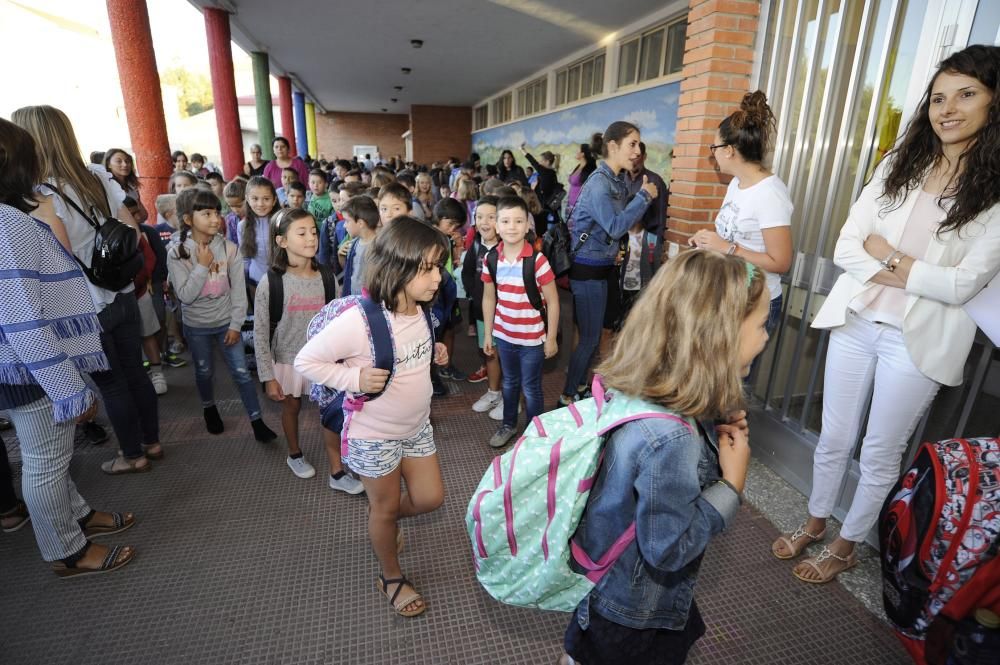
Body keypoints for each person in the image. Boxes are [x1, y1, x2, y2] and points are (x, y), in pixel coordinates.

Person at [771, 45, 1000, 584]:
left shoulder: (993, 194)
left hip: (916, 341)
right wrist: (905, 269)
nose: (947, 108)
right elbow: (848, 244)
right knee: (833, 435)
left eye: (966, 95)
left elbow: (963, 285)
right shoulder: (900, 164)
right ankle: (814, 521)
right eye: (939, 97)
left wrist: (890, 257)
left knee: (880, 451)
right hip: (857, 318)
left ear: (994, 103)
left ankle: (847, 544)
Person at [559, 249, 768, 665]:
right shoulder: (672, 440)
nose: (765, 337)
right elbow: (667, 549)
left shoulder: (640, 386)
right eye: (761, 325)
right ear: (719, 337)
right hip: (635, 609)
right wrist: (731, 486)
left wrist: (714, 415)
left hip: (607, 584)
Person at [0, 117, 137, 576]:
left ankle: (76, 515)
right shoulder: (9, 226)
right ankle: (66, 550)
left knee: (53, 457)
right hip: (30, 367)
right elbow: (24, 321)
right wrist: (67, 388)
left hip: (22, 366)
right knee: (45, 463)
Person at [295, 217, 451, 617]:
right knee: (384, 510)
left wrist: (433, 351)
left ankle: (382, 522)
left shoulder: (421, 309)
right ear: (398, 266)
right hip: (373, 434)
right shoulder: (360, 320)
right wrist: (354, 377)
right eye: (429, 268)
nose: (439, 277)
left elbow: (409, 353)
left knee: (430, 498)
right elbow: (306, 360)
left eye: (440, 266)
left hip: (417, 427)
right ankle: (391, 574)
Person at [14, 105, 162, 474]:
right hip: (123, 289)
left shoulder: (40, 194)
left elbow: (61, 258)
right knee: (135, 372)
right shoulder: (95, 175)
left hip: (88, 304)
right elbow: (132, 228)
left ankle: (133, 455)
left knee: (111, 384)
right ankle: (152, 443)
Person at [252, 209, 363, 491]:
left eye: (313, 231)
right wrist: (268, 376)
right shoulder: (272, 282)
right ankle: (295, 453)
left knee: (330, 413)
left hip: (324, 361)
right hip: (288, 361)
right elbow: (262, 332)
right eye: (301, 233)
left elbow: (338, 321)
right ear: (282, 241)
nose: (311, 238)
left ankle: (337, 472)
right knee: (291, 407)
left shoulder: (327, 277)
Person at [167, 188, 277, 442]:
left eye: (217, 212)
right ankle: (208, 407)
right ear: (187, 219)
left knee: (240, 372)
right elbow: (185, 295)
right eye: (206, 213)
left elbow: (239, 291)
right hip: (196, 327)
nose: (216, 218)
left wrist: (236, 325)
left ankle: (257, 420)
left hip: (228, 323)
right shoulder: (177, 253)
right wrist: (202, 266)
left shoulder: (229, 249)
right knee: (204, 371)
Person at [560, 121, 657, 407]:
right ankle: (567, 395)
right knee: (589, 339)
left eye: (639, 145)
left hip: (602, 268)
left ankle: (578, 386)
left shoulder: (617, 179)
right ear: (613, 146)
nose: (637, 151)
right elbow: (616, 226)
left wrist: (612, 250)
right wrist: (644, 196)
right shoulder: (600, 183)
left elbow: (609, 230)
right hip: (587, 271)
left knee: (593, 337)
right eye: (632, 144)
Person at [689, 91, 792, 342]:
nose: (712, 154)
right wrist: (708, 241)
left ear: (729, 150)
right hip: (731, 292)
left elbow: (781, 262)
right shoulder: (736, 183)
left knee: (734, 378)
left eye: (714, 147)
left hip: (756, 300)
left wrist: (727, 248)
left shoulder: (770, 193)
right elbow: (731, 235)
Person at [482, 196, 560, 448]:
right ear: (496, 225)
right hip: (505, 337)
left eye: (518, 221)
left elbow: (554, 301)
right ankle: (508, 424)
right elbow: (489, 298)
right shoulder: (491, 259)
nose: (512, 226)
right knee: (510, 383)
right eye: (505, 221)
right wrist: (488, 335)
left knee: (531, 387)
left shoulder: (537, 261)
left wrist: (551, 339)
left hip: (532, 339)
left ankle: (533, 433)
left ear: (528, 225)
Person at [462, 196, 504, 418]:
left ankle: (511, 397)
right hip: (482, 311)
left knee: (508, 356)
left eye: (491, 217)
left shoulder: (507, 246)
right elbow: (468, 272)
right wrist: (476, 295)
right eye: (479, 217)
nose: (484, 222)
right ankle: (494, 392)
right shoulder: (477, 244)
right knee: (490, 353)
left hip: (506, 314)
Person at [624, 141, 669, 287]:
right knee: (624, 282)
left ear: (644, 157)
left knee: (645, 284)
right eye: (630, 156)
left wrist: (660, 245)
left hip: (647, 240)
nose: (633, 159)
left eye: (637, 156)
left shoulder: (654, 181)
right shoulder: (620, 179)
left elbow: (662, 216)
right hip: (624, 239)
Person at [238, 175, 280, 295]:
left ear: (274, 200)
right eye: (255, 198)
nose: (260, 204)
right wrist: (245, 279)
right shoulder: (242, 226)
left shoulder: (282, 222)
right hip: (255, 280)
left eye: (266, 199)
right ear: (247, 199)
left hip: (283, 278)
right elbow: (245, 257)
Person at [338, 195, 380, 296]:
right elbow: (349, 270)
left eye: (347, 221)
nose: (344, 225)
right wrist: (341, 255)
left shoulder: (379, 247)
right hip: (353, 298)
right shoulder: (354, 243)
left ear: (360, 223)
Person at [104, 148, 148, 224]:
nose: (125, 164)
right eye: (119, 161)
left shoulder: (131, 186)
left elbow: (144, 215)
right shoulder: (108, 188)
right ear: (109, 164)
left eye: (127, 161)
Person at [520, 144, 559, 209]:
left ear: (547, 162)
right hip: (551, 202)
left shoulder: (543, 170)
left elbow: (532, 161)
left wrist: (522, 149)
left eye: (541, 160)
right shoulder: (553, 172)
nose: (540, 163)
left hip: (544, 203)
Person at [566, 144, 597, 218]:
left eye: (578, 150)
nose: (576, 152)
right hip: (570, 205)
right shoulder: (578, 166)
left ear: (583, 154)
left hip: (580, 208)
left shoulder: (589, 169)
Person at [222, 179, 246, 244]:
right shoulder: (230, 219)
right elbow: (230, 240)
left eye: (239, 206)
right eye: (231, 206)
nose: (235, 210)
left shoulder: (255, 218)